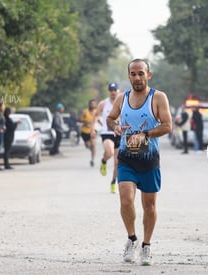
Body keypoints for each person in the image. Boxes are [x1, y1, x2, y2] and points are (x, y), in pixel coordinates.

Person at [106, 59, 172, 266]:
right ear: (128, 76)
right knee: (126, 201)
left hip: (149, 160)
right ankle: (132, 239)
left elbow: (167, 125)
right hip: (126, 160)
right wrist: (115, 126)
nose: (137, 78)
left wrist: (145, 134)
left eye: (141, 73)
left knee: (149, 206)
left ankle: (146, 245)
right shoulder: (122, 98)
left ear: (148, 75)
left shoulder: (158, 97)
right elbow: (110, 118)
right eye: (133, 74)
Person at [93, 82, 121, 193]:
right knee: (110, 152)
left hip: (119, 134)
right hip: (107, 133)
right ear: (109, 91)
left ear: (118, 91)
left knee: (117, 162)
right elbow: (95, 115)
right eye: (111, 90)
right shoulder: (103, 103)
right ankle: (104, 161)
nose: (113, 92)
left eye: (115, 90)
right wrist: (93, 129)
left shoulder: (123, 103)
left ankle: (113, 182)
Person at [79, 99, 97, 167]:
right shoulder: (84, 111)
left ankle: (92, 160)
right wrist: (85, 122)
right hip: (84, 131)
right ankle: (91, 149)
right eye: (91, 104)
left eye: (94, 104)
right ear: (89, 104)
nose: (92, 105)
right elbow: (79, 119)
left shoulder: (96, 112)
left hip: (92, 131)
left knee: (93, 145)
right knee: (88, 146)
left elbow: (98, 120)